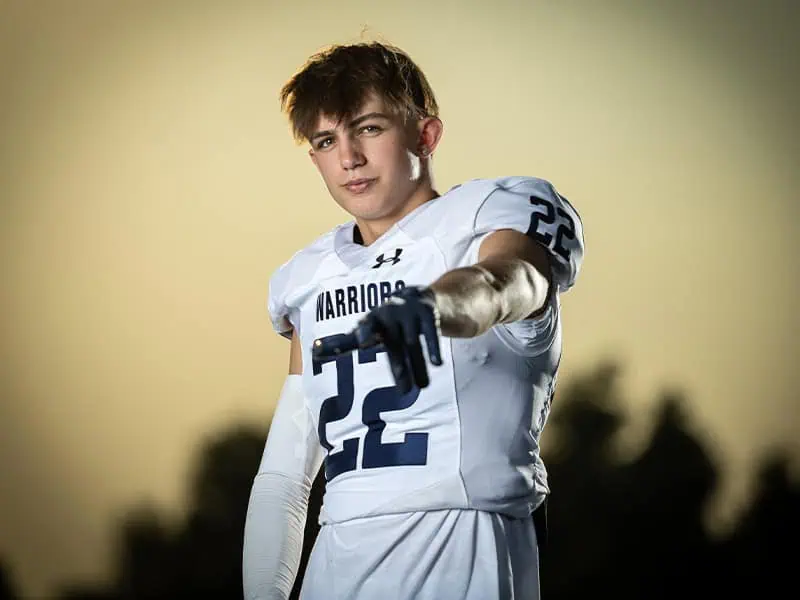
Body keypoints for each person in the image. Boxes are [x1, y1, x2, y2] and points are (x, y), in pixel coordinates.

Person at [243, 40, 584, 600]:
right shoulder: (309, 276)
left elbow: (511, 282)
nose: (349, 156)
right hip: (335, 563)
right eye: (327, 141)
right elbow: (285, 475)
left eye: (369, 128)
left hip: (462, 542)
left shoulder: (483, 217)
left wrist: (433, 307)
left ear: (425, 135)